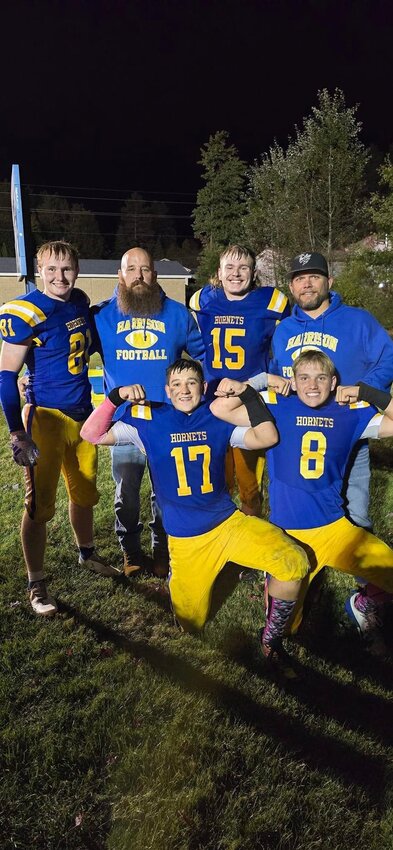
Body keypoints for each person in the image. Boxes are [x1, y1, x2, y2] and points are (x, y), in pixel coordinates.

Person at [80, 358, 309, 659]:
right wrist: (114, 397)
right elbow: (91, 434)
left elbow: (268, 437)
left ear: (203, 387)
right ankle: (211, 572)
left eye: (191, 383)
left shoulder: (216, 416)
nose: (184, 390)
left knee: (294, 562)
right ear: (166, 390)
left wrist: (249, 393)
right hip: (186, 540)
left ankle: (272, 640)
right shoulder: (149, 418)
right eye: (176, 384)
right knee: (191, 625)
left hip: (227, 524)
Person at [213, 350, 393, 655]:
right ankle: (272, 639)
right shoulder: (278, 405)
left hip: (335, 529)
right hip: (288, 534)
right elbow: (220, 408)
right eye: (304, 377)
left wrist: (365, 390)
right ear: (293, 381)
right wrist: (261, 380)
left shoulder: (349, 411)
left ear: (334, 382)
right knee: (287, 627)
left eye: (321, 377)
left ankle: (361, 604)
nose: (313, 384)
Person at [0, 240, 119, 617]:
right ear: (39, 271)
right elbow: (6, 375)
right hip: (46, 420)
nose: (59, 276)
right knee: (39, 507)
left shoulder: (80, 301)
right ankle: (36, 582)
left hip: (83, 414)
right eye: (51, 269)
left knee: (84, 493)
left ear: (77, 269)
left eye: (66, 268)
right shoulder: (27, 310)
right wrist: (16, 430)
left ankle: (87, 554)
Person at [91, 247, 204, 577]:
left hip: (168, 424)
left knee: (165, 493)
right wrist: (29, 378)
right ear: (120, 275)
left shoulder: (178, 316)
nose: (139, 275)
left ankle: (161, 548)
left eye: (146, 268)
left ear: (155, 274)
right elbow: (66, 351)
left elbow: (206, 360)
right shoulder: (100, 317)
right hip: (125, 423)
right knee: (126, 495)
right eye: (131, 269)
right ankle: (131, 550)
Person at [270, 251, 393, 531]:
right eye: (300, 279)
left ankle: (363, 568)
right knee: (298, 504)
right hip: (299, 431)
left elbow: (388, 359)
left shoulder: (358, 321)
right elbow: (278, 372)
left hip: (348, 425)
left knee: (356, 508)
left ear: (330, 281)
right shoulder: (284, 329)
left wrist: (363, 390)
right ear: (291, 287)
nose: (307, 284)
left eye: (315, 277)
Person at [189, 244, 290, 516]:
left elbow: (283, 348)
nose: (236, 274)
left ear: (254, 272)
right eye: (230, 268)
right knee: (214, 480)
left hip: (248, 402)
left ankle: (251, 539)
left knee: (249, 485)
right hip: (212, 402)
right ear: (219, 273)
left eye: (243, 267)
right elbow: (198, 347)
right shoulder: (203, 301)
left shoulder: (271, 302)